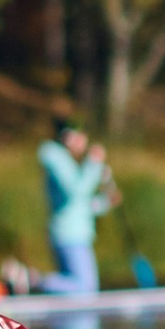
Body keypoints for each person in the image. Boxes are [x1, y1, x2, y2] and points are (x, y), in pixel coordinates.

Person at [35, 123, 116, 297]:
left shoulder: (66, 162)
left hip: (77, 235)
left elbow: (81, 205)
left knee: (81, 290)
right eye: (81, 136)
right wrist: (93, 164)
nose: (85, 143)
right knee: (85, 289)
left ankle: (33, 281)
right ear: (68, 137)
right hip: (68, 235)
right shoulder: (56, 157)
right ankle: (32, 281)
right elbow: (76, 190)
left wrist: (105, 202)